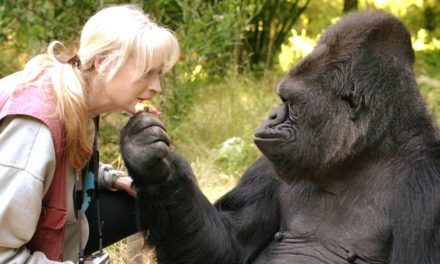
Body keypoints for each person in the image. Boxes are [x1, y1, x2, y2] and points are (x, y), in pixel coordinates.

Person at [0, 4, 179, 263]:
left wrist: (111, 178)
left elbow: (58, 167)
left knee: (151, 201)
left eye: (159, 74)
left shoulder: (76, 94)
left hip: (59, 231)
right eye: (147, 73)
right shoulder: (35, 128)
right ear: (103, 63)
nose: (157, 87)